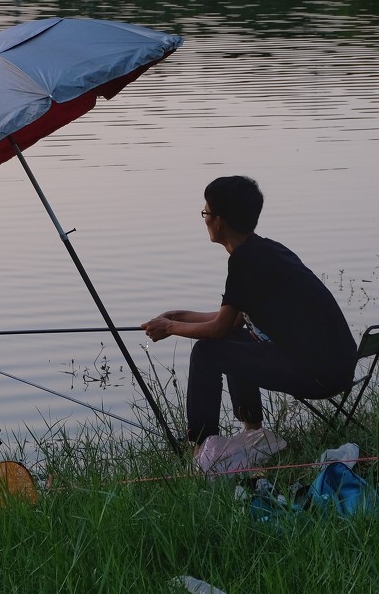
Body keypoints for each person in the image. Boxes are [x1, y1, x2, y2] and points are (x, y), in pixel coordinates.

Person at [142, 176, 357, 444]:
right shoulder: (266, 251)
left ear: (219, 221)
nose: (205, 219)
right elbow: (232, 322)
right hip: (337, 366)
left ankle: (202, 447)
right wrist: (176, 316)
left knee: (206, 353)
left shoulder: (244, 263)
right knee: (232, 341)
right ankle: (252, 433)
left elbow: (219, 328)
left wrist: (170, 327)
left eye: (206, 213)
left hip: (318, 373)